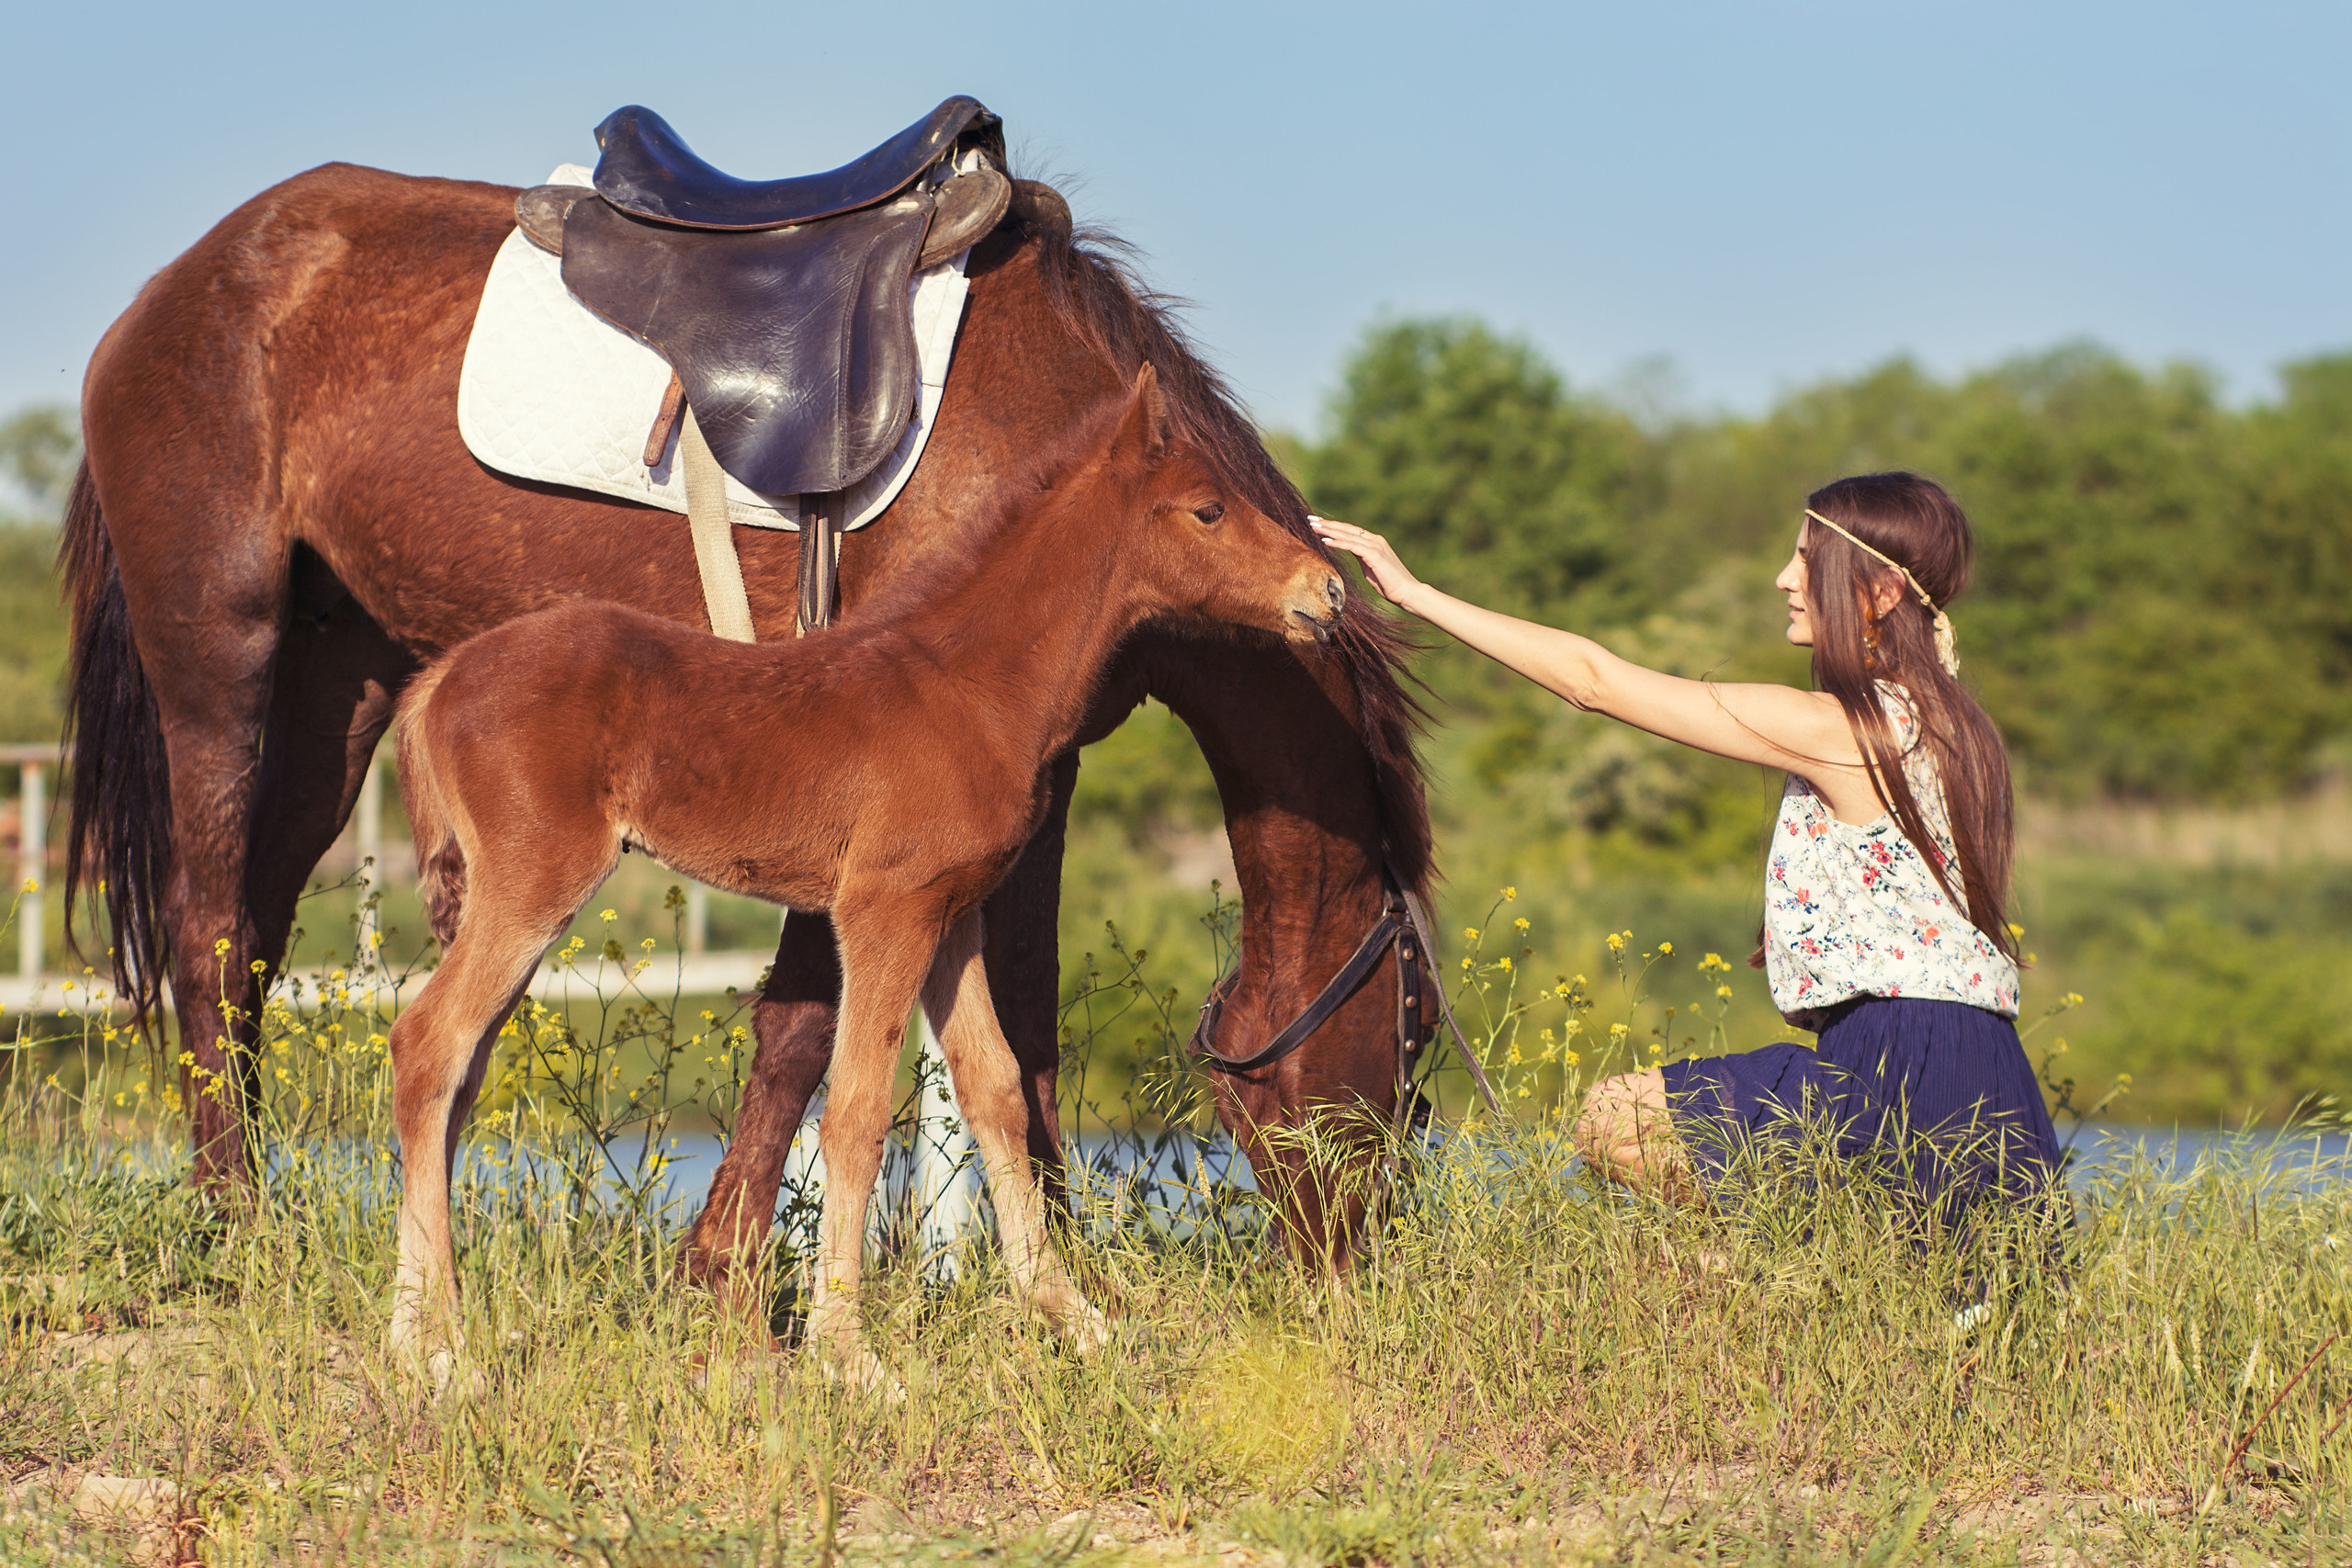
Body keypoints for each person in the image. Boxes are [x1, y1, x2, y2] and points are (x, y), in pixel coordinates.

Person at [1310, 472, 2060, 1224]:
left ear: (1883, 591)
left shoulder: (1842, 730)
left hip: (1900, 1060)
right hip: (1987, 1066)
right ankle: (1751, 1281)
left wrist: (1415, 594)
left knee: (1618, 1122)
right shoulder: (1963, 729)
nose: (1785, 579)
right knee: (1942, 1315)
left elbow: (1595, 681)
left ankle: (1739, 1277)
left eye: (1808, 561)